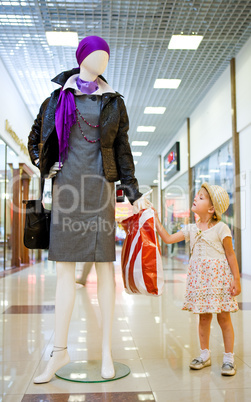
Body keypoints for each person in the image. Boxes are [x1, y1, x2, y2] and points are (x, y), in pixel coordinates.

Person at [28, 35, 147, 383]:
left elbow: (123, 148)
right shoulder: (56, 98)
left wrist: (133, 190)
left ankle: (107, 350)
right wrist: (43, 163)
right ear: (83, 57)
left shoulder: (113, 102)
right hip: (66, 189)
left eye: (107, 57)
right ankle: (59, 353)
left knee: (104, 268)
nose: (104, 61)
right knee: (65, 271)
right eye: (99, 55)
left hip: (101, 190)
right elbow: (37, 135)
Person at [154, 182, 241, 376]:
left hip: (219, 281)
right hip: (200, 281)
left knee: (224, 318)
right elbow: (167, 239)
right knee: (203, 318)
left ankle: (228, 358)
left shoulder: (221, 229)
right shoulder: (191, 229)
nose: (195, 198)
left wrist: (236, 279)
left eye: (201, 197)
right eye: (197, 195)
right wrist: (156, 220)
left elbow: (230, 255)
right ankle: (204, 355)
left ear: (211, 209)